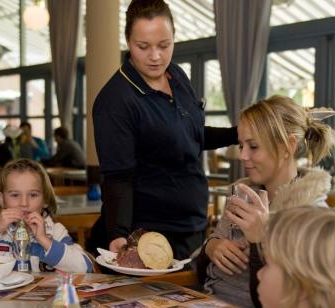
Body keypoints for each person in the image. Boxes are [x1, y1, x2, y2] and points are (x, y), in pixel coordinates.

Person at [91, 0, 237, 260]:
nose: (156, 56)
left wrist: (237, 134)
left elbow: (191, 135)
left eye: (164, 45)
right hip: (147, 235)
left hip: (192, 226)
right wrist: (118, 235)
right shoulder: (116, 100)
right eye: (143, 46)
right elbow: (118, 178)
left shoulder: (177, 76)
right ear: (127, 41)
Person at [202, 95, 334, 308]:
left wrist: (261, 241)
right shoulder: (242, 195)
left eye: (253, 146)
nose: (243, 156)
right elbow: (206, 270)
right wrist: (211, 247)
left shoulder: (313, 216)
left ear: (287, 147)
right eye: (241, 145)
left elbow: (286, 306)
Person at [0, 159, 93, 273]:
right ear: (1, 199)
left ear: (45, 200)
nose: (24, 203)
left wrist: (45, 240)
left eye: (33, 195)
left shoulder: (56, 231)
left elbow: (85, 267)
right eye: (14, 195)